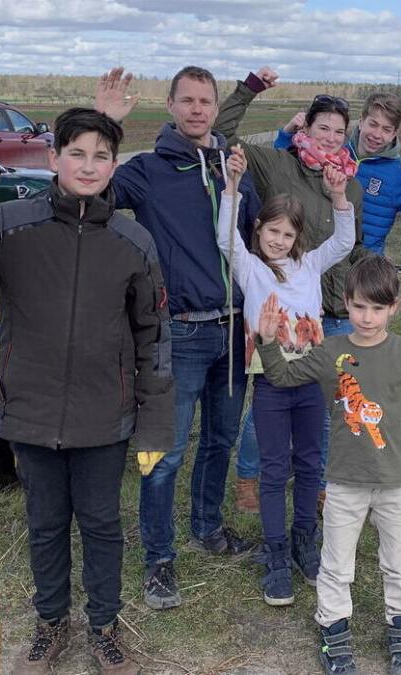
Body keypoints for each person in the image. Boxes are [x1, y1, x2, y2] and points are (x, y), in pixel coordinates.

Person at [0, 108, 174, 675]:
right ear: (53, 158)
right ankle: (51, 623)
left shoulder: (133, 241)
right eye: (76, 153)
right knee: (46, 525)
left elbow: (154, 337)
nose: (89, 165)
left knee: (103, 525)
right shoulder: (9, 224)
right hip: (30, 413)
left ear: (115, 164)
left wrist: (155, 425)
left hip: (104, 417)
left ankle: (104, 627)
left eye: (102, 155)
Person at [254, 255, 401, 675]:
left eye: (377, 308)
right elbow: (283, 378)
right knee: (336, 564)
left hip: (396, 483)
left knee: (399, 562)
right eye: (359, 306)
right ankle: (334, 633)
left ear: (394, 308)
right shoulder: (330, 352)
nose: (367, 316)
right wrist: (268, 342)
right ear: (346, 302)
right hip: (344, 483)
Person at [95, 66, 260, 611]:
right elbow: (90, 195)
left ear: (216, 108)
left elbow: (254, 240)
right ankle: (159, 559)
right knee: (164, 454)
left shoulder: (233, 165)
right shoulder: (145, 170)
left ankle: (208, 527)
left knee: (220, 441)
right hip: (181, 333)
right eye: (186, 100)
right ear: (169, 106)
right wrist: (103, 125)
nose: (196, 109)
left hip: (234, 331)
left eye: (205, 101)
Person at [215, 66, 366, 510]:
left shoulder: (348, 182)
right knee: (267, 408)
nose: (331, 137)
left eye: (340, 131)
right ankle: (250, 481)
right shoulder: (277, 161)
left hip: (324, 312)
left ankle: (314, 484)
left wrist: (340, 198)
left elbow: (346, 242)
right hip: (273, 318)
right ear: (307, 125)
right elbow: (224, 135)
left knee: (321, 405)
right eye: (324, 127)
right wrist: (250, 90)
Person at [216, 145, 356, 606]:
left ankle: (303, 542)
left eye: (287, 233)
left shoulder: (310, 264)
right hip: (273, 383)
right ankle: (276, 555)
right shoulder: (251, 268)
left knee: (311, 464)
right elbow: (225, 239)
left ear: (298, 237)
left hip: (313, 383)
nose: (278, 239)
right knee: (274, 470)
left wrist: (339, 199)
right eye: (271, 231)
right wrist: (232, 189)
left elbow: (343, 243)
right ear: (259, 231)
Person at [273, 91, 401, 253]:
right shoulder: (331, 154)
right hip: (314, 256)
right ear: (361, 122)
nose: (377, 134)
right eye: (373, 124)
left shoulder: (396, 177)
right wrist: (288, 133)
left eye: (386, 129)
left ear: (394, 134)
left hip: (358, 272)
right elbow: (282, 167)